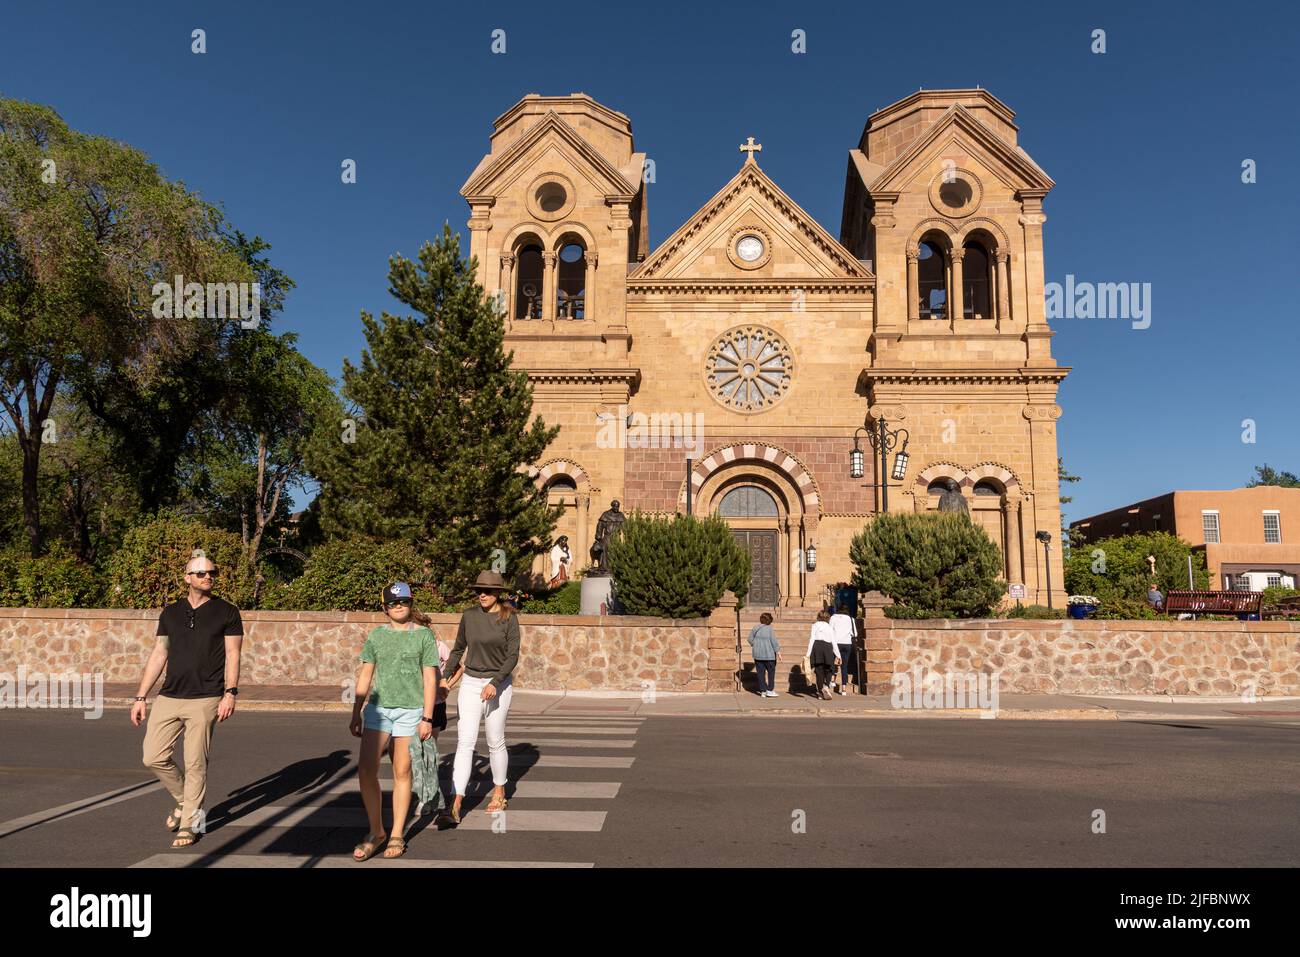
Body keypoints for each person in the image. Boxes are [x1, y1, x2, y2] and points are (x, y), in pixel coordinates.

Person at [130, 553, 243, 850]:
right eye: (202, 573)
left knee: (195, 763)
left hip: (206, 697)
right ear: (187, 578)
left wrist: (230, 692)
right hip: (169, 695)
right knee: (152, 756)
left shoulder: (227, 612)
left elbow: (233, 654)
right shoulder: (170, 613)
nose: (209, 577)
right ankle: (183, 800)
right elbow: (159, 654)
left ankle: (191, 823)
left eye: (212, 572)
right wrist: (141, 696)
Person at [349, 582, 440, 861]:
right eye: (393, 602)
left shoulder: (423, 636)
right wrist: (356, 711)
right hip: (378, 710)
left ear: (411, 603)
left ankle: (397, 833)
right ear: (384, 608)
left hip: (411, 711)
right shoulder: (376, 636)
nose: (399, 606)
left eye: (403, 601)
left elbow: (429, 678)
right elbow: (365, 675)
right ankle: (376, 831)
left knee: (402, 771)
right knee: (366, 769)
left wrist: (427, 717)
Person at [442, 570, 520, 824]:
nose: (482, 595)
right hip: (471, 681)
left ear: (498, 593)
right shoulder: (469, 616)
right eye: (478, 591)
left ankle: (499, 791)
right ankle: (455, 802)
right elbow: (458, 648)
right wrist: (444, 676)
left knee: (495, 740)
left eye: (487, 591)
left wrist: (495, 682)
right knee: (465, 741)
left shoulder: (509, 618)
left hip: (498, 682)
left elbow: (512, 656)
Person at [804, 609, 841, 700]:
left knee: (819, 671)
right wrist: (838, 655)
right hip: (827, 648)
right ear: (828, 618)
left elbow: (811, 639)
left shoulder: (814, 625)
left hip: (817, 647)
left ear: (819, 617)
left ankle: (820, 692)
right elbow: (833, 641)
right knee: (829, 669)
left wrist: (808, 654)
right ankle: (826, 686)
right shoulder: (829, 627)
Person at [747, 612, 781, 697]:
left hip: (757, 655)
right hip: (769, 655)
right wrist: (778, 652)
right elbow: (774, 641)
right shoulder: (769, 629)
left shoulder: (755, 627)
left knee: (760, 673)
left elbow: (749, 639)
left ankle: (763, 691)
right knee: (771, 673)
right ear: (770, 620)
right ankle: (770, 690)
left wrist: (755, 645)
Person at [829, 603, 858, 695]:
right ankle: (844, 689)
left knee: (834, 661)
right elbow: (855, 634)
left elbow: (830, 630)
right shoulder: (850, 619)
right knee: (844, 665)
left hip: (836, 642)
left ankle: (832, 680)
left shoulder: (833, 617)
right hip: (847, 643)